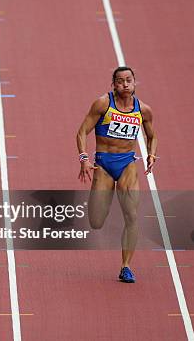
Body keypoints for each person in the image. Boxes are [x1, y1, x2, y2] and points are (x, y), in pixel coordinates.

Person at [76, 66, 158, 283]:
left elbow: (152, 136)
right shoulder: (103, 104)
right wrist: (83, 158)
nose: (125, 84)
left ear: (134, 82)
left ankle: (126, 266)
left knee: (131, 216)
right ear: (113, 84)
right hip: (103, 164)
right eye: (120, 81)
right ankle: (105, 197)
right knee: (96, 222)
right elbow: (82, 131)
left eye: (128, 80)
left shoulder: (144, 110)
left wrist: (151, 154)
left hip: (127, 164)